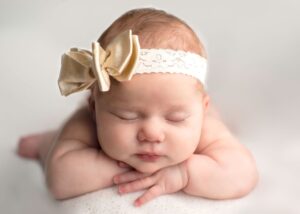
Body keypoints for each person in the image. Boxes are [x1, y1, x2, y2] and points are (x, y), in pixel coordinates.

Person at [17, 8, 258, 207]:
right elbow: (59, 179)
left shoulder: (203, 124)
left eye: (175, 118)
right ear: (95, 108)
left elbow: (244, 174)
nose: (152, 133)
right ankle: (44, 142)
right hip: (86, 122)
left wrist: (185, 173)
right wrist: (119, 166)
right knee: (57, 144)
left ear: (202, 110)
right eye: (127, 116)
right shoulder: (87, 120)